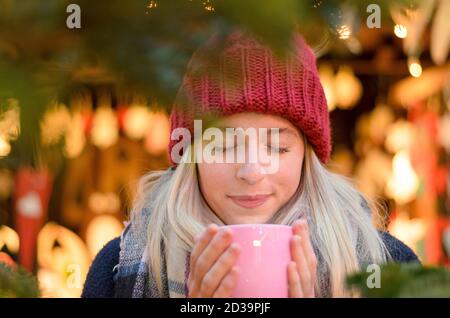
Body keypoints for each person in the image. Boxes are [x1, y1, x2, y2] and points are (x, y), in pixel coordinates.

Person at [82, 29, 419, 298]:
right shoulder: (116, 271)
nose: (252, 172)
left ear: (307, 155)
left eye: (277, 147)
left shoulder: (388, 266)